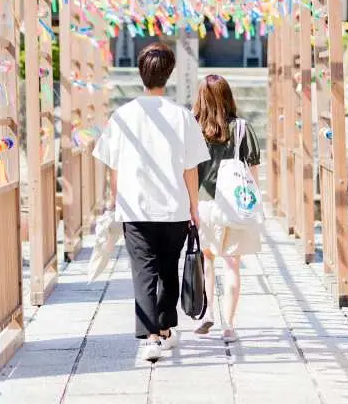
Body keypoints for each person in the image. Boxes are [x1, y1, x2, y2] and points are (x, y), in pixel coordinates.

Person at [92, 42, 210, 362]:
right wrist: (194, 206)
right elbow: (191, 169)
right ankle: (164, 329)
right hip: (173, 207)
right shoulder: (182, 117)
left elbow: (112, 167)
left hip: (135, 207)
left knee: (143, 271)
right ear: (168, 75)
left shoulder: (122, 116)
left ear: (140, 74)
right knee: (169, 270)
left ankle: (151, 337)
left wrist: (116, 200)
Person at [191, 74, 262, 343]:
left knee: (206, 260)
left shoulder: (194, 129)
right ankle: (229, 325)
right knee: (232, 265)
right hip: (233, 205)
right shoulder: (243, 128)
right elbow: (253, 172)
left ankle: (208, 310)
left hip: (204, 204)